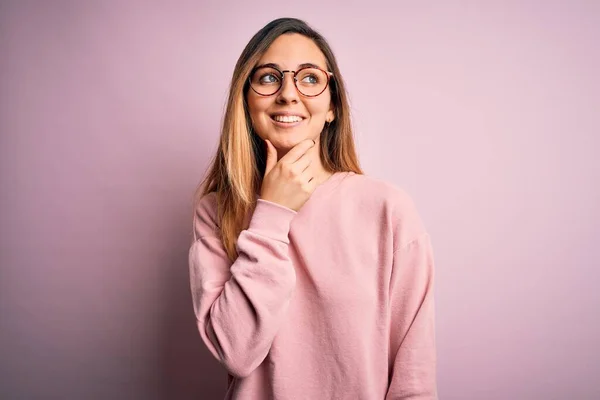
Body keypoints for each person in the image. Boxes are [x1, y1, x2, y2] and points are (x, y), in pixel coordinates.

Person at [188, 17, 438, 400]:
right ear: (246, 99)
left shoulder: (387, 209)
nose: (288, 94)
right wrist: (271, 213)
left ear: (332, 105)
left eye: (309, 78)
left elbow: (413, 380)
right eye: (269, 77)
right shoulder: (216, 210)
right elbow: (236, 353)